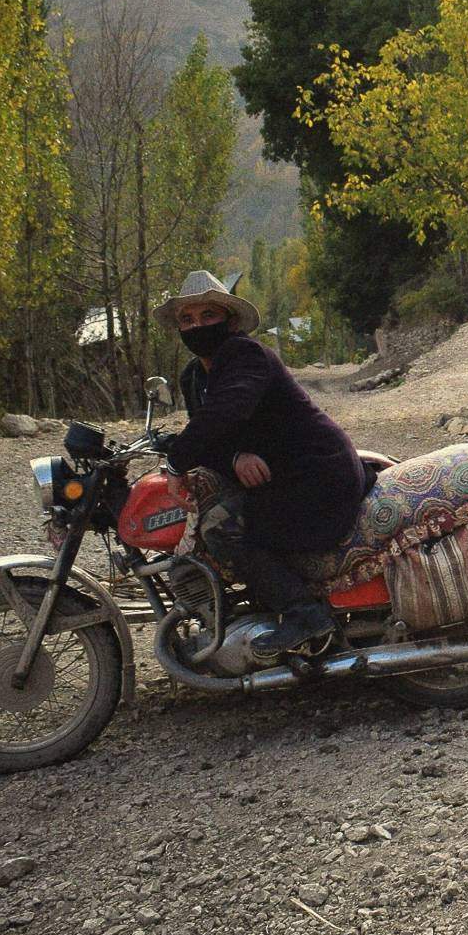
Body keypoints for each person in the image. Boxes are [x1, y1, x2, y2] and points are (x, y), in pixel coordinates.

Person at [153, 271, 366, 657]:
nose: (196, 326)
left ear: (230, 321)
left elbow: (226, 411)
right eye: (187, 319)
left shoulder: (244, 355)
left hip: (317, 474)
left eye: (207, 316)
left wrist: (175, 463)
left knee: (223, 529)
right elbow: (211, 434)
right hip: (280, 478)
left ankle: (305, 615)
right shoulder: (193, 377)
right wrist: (234, 455)